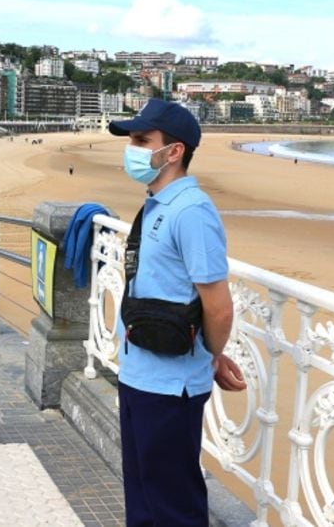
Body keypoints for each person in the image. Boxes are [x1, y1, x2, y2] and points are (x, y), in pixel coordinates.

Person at [108, 101, 246, 526]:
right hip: (139, 372)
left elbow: (218, 306)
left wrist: (210, 355)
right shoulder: (159, 202)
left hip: (171, 386)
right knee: (144, 494)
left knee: (172, 502)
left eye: (140, 141)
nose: (131, 149)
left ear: (173, 152)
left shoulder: (191, 211)